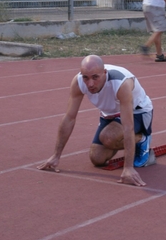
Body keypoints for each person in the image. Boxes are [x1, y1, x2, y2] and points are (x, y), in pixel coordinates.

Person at [38, 55, 154, 187]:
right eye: (85, 77)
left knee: (108, 137)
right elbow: (69, 118)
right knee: (97, 158)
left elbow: (128, 126)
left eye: (95, 77)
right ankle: (124, 138)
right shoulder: (78, 82)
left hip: (138, 111)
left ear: (104, 73)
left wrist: (128, 168)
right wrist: (56, 156)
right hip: (109, 114)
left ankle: (142, 138)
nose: (90, 84)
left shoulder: (121, 83)